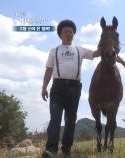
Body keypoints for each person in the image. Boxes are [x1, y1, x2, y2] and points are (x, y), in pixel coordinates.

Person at [41, 19, 101, 158]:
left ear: (74, 34)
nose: (69, 33)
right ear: (60, 34)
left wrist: (106, 40)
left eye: (71, 32)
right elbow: (49, 70)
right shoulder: (54, 51)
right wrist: (44, 87)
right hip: (57, 87)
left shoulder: (80, 50)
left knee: (70, 120)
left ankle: (66, 150)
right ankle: (51, 150)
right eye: (66, 32)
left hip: (74, 88)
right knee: (55, 119)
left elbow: (96, 53)